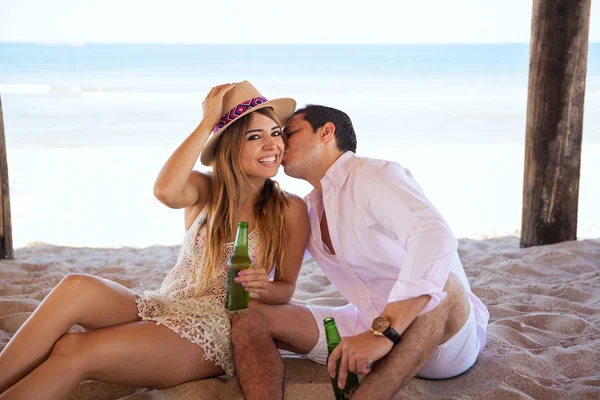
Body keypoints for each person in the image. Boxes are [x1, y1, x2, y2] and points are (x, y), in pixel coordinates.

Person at [0, 81, 310, 399]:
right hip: (164, 304)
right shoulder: (206, 190)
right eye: (255, 137)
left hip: (214, 330)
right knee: (75, 286)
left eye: (275, 133)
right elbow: (164, 190)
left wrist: (264, 287)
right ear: (230, 146)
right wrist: (207, 124)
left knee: (74, 349)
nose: (272, 145)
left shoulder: (290, 209)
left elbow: (285, 288)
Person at [232, 105, 490, 399]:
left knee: (446, 285)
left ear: (326, 132)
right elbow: (268, 271)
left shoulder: (374, 175)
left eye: (288, 132)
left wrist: (383, 333)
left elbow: (434, 236)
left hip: (444, 340)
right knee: (250, 316)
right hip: (367, 325)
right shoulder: (307, 210)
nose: (280, 143)